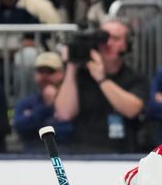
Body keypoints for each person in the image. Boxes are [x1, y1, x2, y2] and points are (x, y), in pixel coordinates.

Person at [54, 19, 149, 153]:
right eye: (103, 38)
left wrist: (101, 79)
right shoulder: (80, 76)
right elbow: (64, 114)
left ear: (128, 44)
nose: (108, 43)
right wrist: (71, 66)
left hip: (122, 156)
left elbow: (132, 109)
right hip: (82, 154)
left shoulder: (135, 78)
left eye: (115, 39)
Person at [13, 51, 73, 152]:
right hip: (32, 157)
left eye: (50, 71)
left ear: (62, 74)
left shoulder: (71, 101)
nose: (44, 76)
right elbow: (21, 127)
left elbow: (69, 131)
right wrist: (46, 106)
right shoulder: (27, 102)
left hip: (66, 156)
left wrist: (36, 123)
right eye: (41, 71)